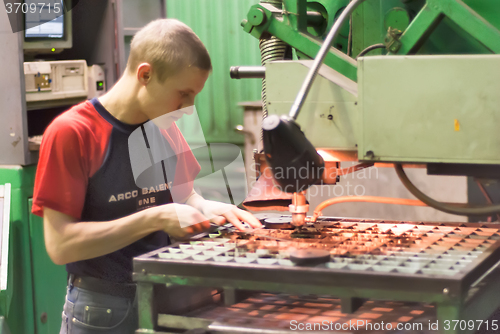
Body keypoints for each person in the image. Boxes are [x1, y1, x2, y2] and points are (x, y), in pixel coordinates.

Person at [32, 18, 262, 334]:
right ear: (146, 74)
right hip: (104, 308)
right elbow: (60, 245)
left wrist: (209, 209)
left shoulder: (162, 128)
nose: (188, 107)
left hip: (167, 297)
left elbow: (186, 197)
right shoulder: (73, 133)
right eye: (183, 94)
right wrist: (154, 218)